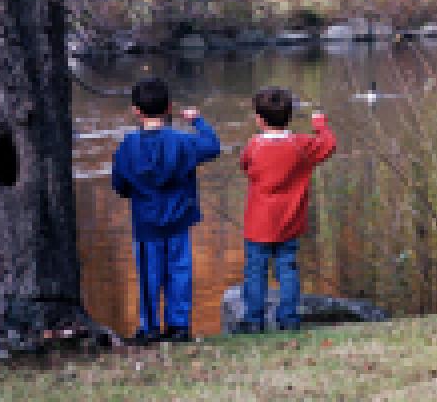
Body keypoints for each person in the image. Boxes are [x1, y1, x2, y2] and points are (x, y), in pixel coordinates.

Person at [111, 77, 220, 345]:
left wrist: (136, 191)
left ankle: (150, 328)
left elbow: (119, 185)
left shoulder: (127, 146)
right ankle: (179, 326)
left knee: (149, 277)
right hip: (179, 221)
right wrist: (197, 121)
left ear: (136, 111)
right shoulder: (183, 141)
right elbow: (212, 146)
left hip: (146, 224)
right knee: (180, 273)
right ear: (169, 107)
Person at [237, 87, 336, 333]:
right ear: (289, 116)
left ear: (259, 119)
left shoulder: (254, 145)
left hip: (258, 224)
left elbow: (245, 165)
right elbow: (329, 145)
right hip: (289, 222)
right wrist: (320, 125)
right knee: (287, 269)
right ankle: (289, 318)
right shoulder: (302, 145)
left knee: (255, 271)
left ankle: (254, 320)